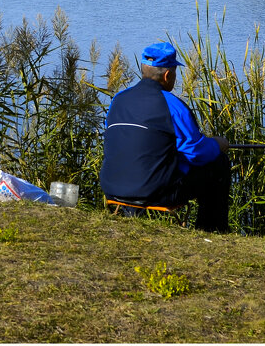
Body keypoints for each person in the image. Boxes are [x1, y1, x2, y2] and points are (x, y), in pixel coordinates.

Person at [99, 41, 231, 233]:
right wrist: (217, 144)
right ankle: (211, 230)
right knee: (218, 163)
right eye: (175, 73)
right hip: (155, 193)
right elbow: (195, 152)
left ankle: (130, 215)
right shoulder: (173, 106)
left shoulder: (118, 100)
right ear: (168, 75)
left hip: (111, 187)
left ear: (143, 70)